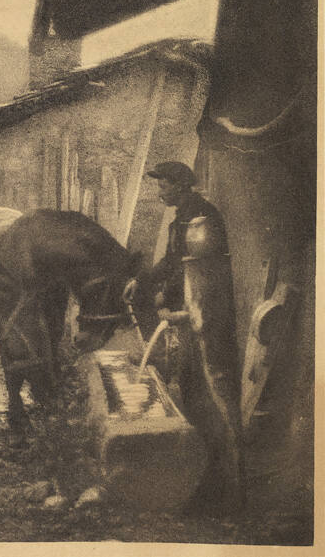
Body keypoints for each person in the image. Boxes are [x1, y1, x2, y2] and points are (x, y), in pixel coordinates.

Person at [123, 161, 245, 517]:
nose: (160, 192)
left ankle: (227, 489)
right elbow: (173, 262)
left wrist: (175, 301)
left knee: (212, 396)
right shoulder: (184, 217)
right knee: (194, 396)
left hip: (208, 321)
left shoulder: (201, 221)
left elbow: (201, 274)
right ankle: (209, 483)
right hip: (193, 317)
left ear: (179, 185)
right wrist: (143, 280)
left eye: (163, 186)